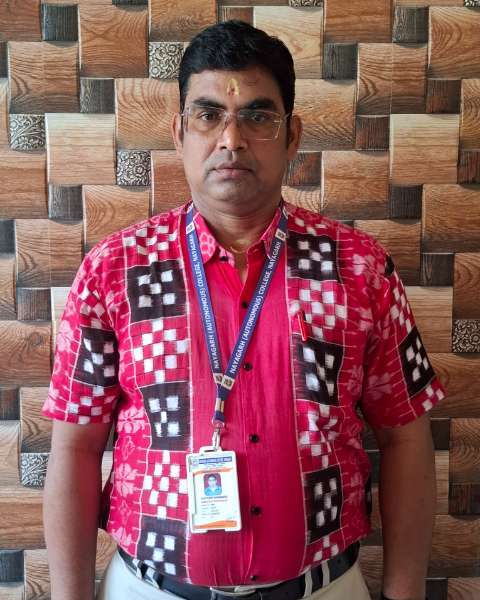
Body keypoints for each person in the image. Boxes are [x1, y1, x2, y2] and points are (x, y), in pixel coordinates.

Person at [42, 19, 444, 600]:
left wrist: (404, 594)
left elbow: (405, 436)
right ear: (180, 132)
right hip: (149, 590)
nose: (231, 139)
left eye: (257, 116)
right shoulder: (114, 270)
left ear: (292, 135)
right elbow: (75, 448)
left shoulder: (359, 269)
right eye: (209, 115)